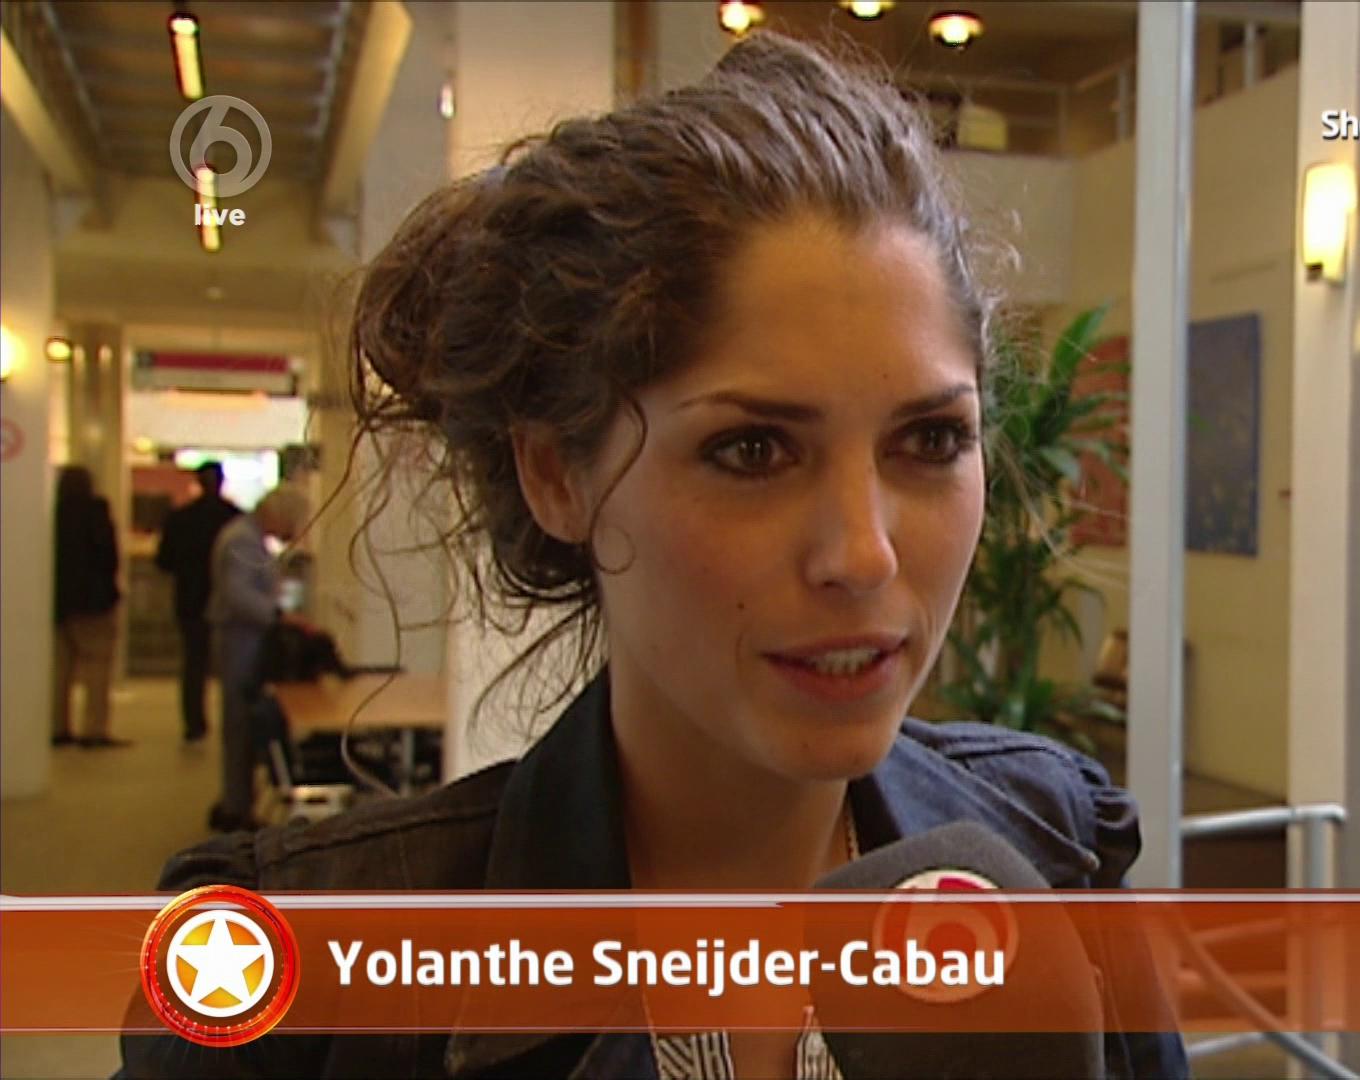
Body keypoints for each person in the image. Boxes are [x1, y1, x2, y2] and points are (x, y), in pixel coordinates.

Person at [123, 31, 1186, 1079]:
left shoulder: (1052, 849)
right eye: (753, 450)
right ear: (558, 475)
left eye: (931, 441)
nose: (863, 555)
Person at [204, 484, 310, 833]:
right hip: (240, 639)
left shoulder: (248, 537)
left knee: (244, 723)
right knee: (240, 722)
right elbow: (238, 595)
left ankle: (238, 801)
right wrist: (278, 616)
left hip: (246, 637)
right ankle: (236, 807)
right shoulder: (242, 541)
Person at [155, 462, 242, 742]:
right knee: (233, 664)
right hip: (229, 601)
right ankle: (233, 722)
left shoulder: (180, 519)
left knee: (194, 663)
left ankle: (194, 724)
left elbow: (164, 561)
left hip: (190, 598)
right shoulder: (235, 519)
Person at [53, 464, 125, 748]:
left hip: (60, 602)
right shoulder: (96, 511)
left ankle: (58, 726)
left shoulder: (52, 512)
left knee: (60, 669)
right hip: (94, 602)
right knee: (97, 667)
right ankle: (94, 729)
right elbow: (108, 556)